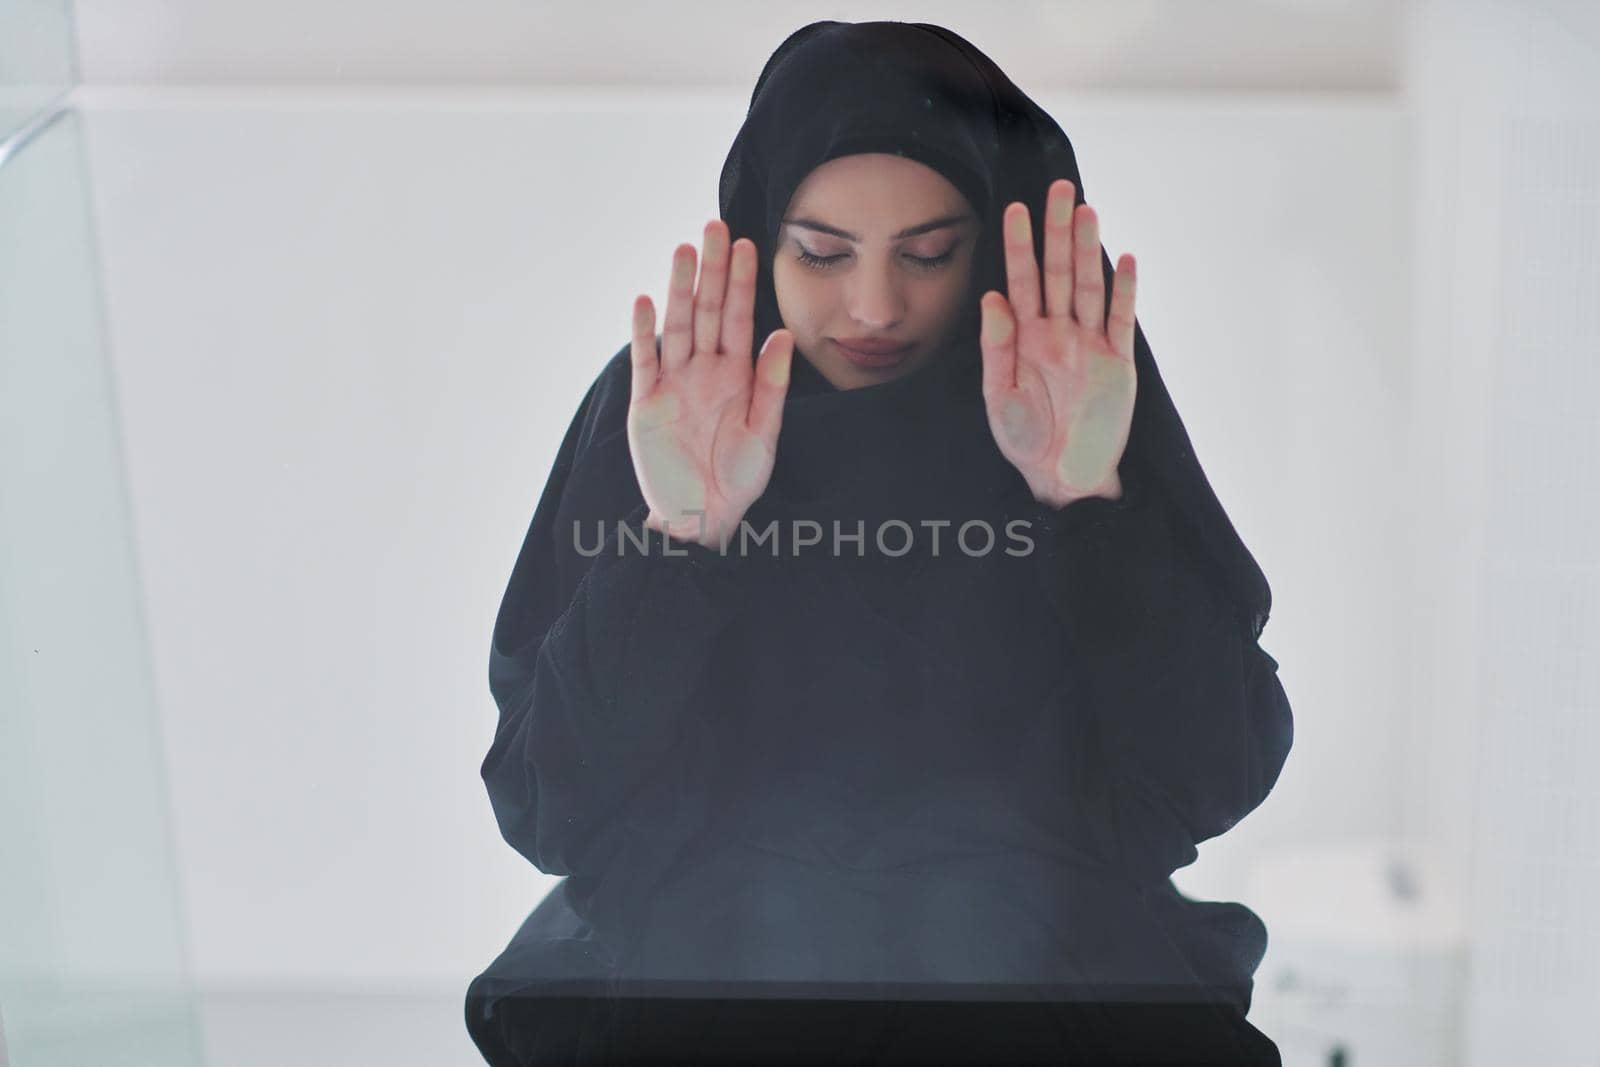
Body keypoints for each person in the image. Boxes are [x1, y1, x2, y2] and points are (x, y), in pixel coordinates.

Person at [465, 20, 1294, 1066]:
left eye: (929, 253)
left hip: (1050, 990)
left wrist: (1085, 498)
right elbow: (551, 806)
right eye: (819, 253)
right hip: (705, 993)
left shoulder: (1076, 389)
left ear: (995, 242)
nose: (872, 306)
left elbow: (1207, 776)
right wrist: (683, 534)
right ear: (761, 240)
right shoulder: (671, 406)